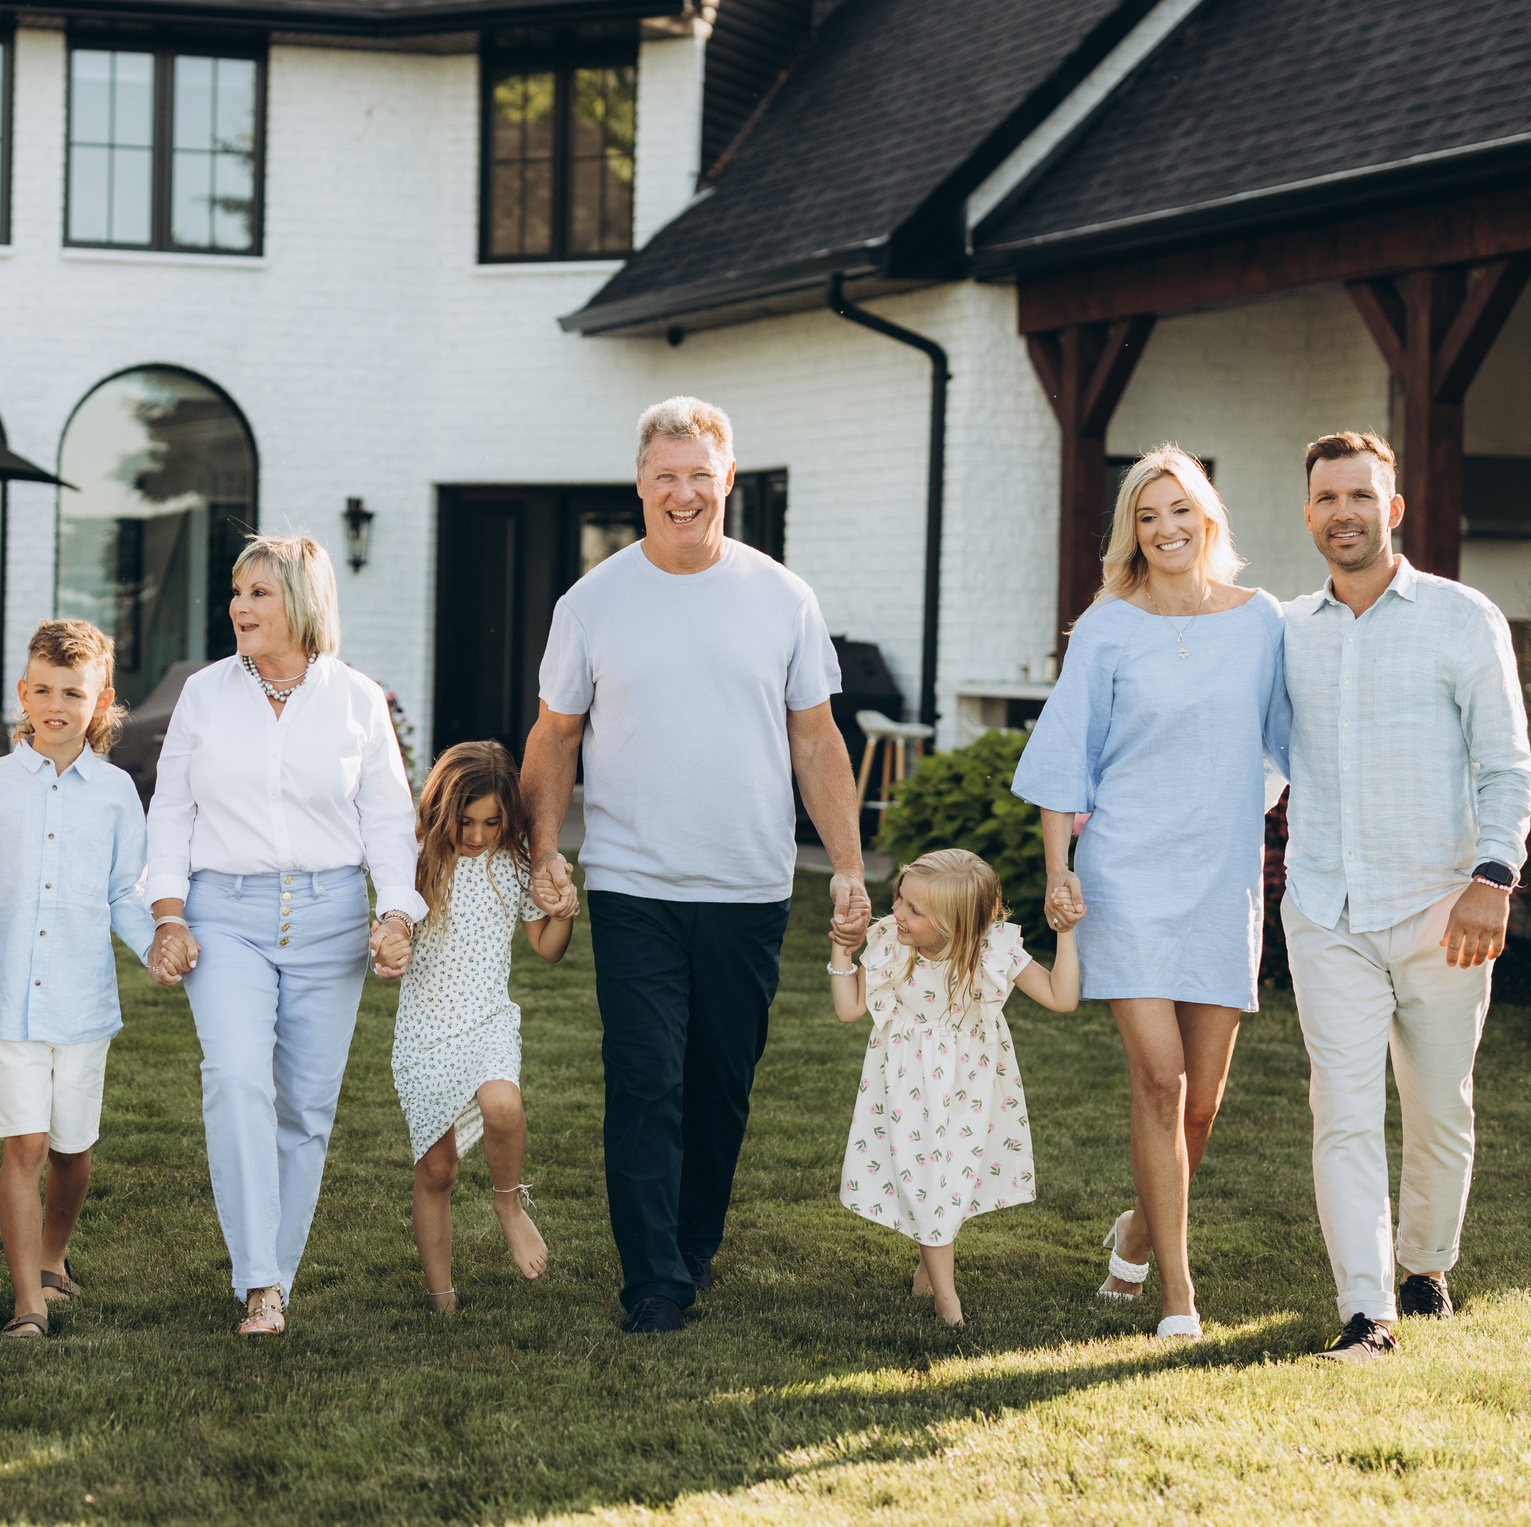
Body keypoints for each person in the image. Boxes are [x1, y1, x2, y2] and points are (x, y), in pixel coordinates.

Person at [521, 396, 870, 1336]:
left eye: (700, 476)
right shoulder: (591, 603)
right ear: (641, 484)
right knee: (645, 1078)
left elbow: (816, 738)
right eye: (666, 476)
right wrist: (543, 850)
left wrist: (846, 865)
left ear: (728, 481)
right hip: (632, 882)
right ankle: (653, 1280)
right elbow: (555, 735)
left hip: (750, 886)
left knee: (720, 1082)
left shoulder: (783, 598)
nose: (684, 493)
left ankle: (692, 1241)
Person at [1012, 444, 1288, 1341]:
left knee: (1202, 1100)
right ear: (1131, 531)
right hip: (1126, 872)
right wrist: (1059, 868)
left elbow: (1289, 741)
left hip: (1221, 876)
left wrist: (1235, 804)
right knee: (1160, 1080)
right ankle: (1176, 1290)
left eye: (1180, 510)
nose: (1166, 528)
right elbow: (1065, 754)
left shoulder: (1262, 620)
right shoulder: (1107, 627)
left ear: (1208, 518)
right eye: (1146, 514)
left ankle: (1137, 1225)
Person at [1279, 431, 1531, 1365]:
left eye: (1360, 495)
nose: (1343, 512)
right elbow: (1259, 760)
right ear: (1308, 513)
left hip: (1443, 909)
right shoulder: (1287, 630)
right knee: (1342, 1111)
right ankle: (1366, 1308)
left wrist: (1493, 878)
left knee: (1438, 1106)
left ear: (1392, 509)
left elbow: (1506, 763)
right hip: (1326, 910)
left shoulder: (1464, 619)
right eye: (1326, 497)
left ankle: (1425, 1264)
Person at [142, 534, 421, 1337]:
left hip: (331, 918)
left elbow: (388, 819)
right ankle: (257, 1277)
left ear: (302, 602)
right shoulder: (203, 694)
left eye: (259, 592)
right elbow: (172, 810)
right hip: (223, 915)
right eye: (238, 591)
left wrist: (396, 912)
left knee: (306, 1109)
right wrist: (168, 912)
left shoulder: (357, 698)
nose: (239, 606)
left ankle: (275, 1282)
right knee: (236, 1079)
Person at [0, 618, 153, 1341]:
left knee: (71, 1152)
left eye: (74, 692)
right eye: (45, 690)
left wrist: (158, 947)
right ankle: (27, 1301)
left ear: (102, 700)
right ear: (23, 693)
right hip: (8, 1004)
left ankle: (53, 1257)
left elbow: (126, 892)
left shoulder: (117, 793)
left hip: (83, 1002)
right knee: (23, 1145)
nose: (57, 705)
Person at [830, 850, 1080, 1325]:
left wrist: (1064, 934)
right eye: (899, 898)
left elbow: (1061, 997)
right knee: (928, 1181)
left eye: (914, 910)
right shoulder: (890, 942)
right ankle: (949, 1305)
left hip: (972, 1088)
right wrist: (842, 950)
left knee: (952, 1179)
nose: (897, 913)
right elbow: (849, 1009)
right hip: (908, 1087)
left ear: (955, 925)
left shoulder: (991, 952)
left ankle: (927, 1275)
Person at [393, 740, 577, 1314]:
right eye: (466, 821)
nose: (477, 835)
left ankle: (508, 1204)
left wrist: (563, 913)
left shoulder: (514, 863)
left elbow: (547, 948)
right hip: (425, 1032)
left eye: (492, 822)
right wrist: (388, 949)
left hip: (488, 1020)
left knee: (503, 1103)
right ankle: (442, 1298)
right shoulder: (416, 861)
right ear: (442, 810)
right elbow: (391, 938)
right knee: (437, 1170)